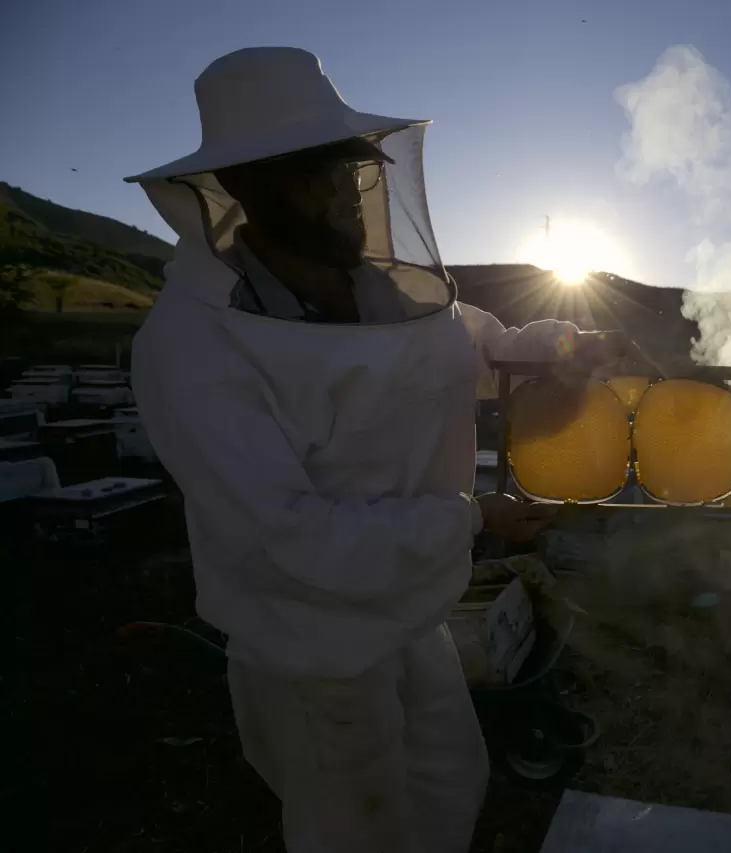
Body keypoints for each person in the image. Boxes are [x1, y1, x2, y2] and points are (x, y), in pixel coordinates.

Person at [124, 47, 625, 853]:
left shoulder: (380, 291)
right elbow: (289, 535)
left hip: (411, 611)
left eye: (351, 172)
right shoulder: (192, 344)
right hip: (311, 645)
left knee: (450, 787)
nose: (346, 196)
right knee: (357, 827)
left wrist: (563, 345)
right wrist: (473, 519)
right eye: (314, 177)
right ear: (245, 187)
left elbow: (481, 349)